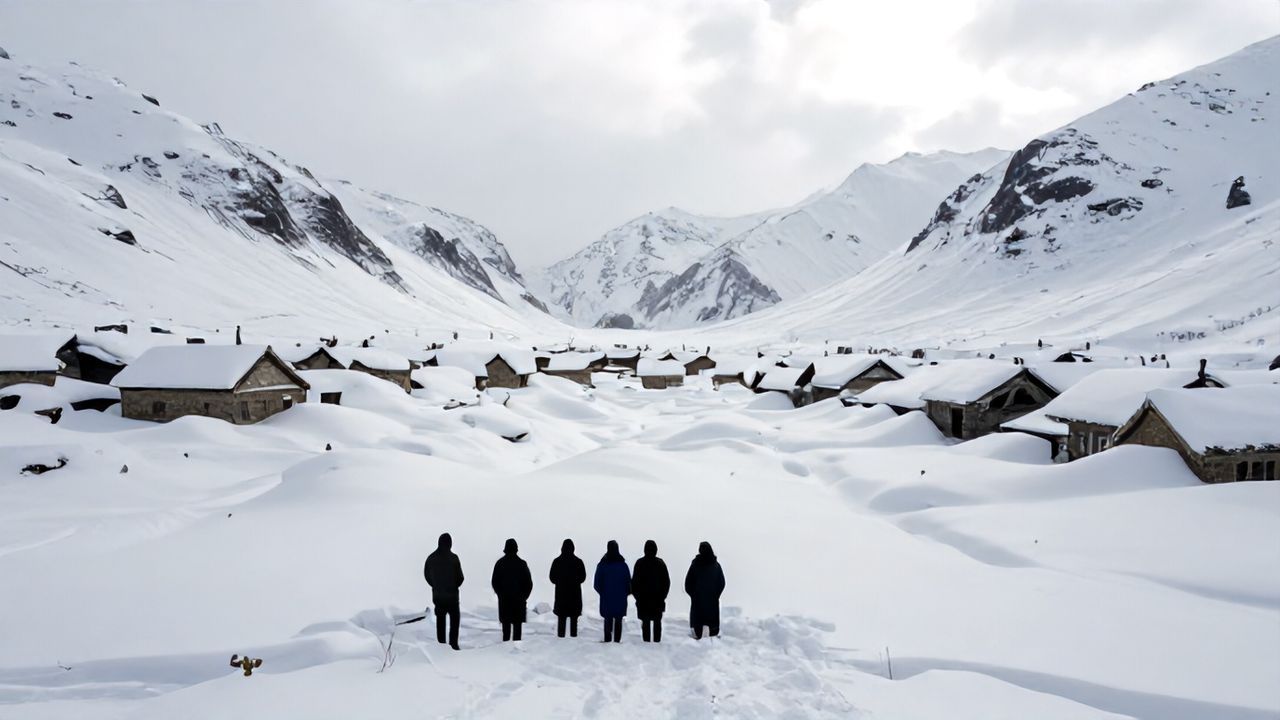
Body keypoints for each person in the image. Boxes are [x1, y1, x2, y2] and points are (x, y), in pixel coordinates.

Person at [423, 532, 464, 650]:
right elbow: (460, 578)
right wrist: (453, 586)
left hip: (438, 596)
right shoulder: (454, 558)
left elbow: (427, 576)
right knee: (454, 622)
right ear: (450, 544)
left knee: (440, 622)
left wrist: (436, 585)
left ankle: (441, 646)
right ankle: (453, 645)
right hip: (452, 597)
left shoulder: (431, 558)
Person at [491, 538, 533, 642]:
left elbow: (494, 582)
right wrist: (524, 597)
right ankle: (516, 651)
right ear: (516, 549)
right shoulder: (522, 564)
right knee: (517, 633)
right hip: (519, 603)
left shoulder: (500, 563)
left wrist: (500, 594)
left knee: (506, 633)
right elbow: (529, 584)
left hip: (504, 602)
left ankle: (506, 651)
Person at [631, 540, 670, 643]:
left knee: (645, 623)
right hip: (658, 600)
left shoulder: (640, 563)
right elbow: (666, 582)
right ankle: (657, 643)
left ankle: (647, 644)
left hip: (643, 600)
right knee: (657, 622)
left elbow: (634, 583)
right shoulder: (660, 563)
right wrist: (663, 596)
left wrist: (637, 597)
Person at [685, 541, 725, 640]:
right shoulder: (716, 565)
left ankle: (697, 635)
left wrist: (693, 594)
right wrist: (716, 594)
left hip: (698, 598)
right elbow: (722, 582)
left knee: (698, 619)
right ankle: (712, 635)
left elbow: (688, 582)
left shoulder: (695, 564)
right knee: (711, 620)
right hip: (712, 599)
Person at [593, 540, 631, 643]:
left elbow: (596, 583)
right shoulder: (623, 565)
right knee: (618, 620)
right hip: (620, 599)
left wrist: (603, 593)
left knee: (607, 619)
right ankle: (617, 641)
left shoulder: (602, 565)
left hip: (607, 598)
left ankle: (607, 641)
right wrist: (625, 593)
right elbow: (629, 583)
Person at [549, 539, 586, 638]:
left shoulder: (557, 562)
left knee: (561, 620)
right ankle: (573, 641)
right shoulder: (578, 562)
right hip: (575, 596)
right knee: (574, 622)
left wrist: (560, 581)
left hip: (561, 596)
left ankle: (561, 640)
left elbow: (552, 578)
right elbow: (583, 577)